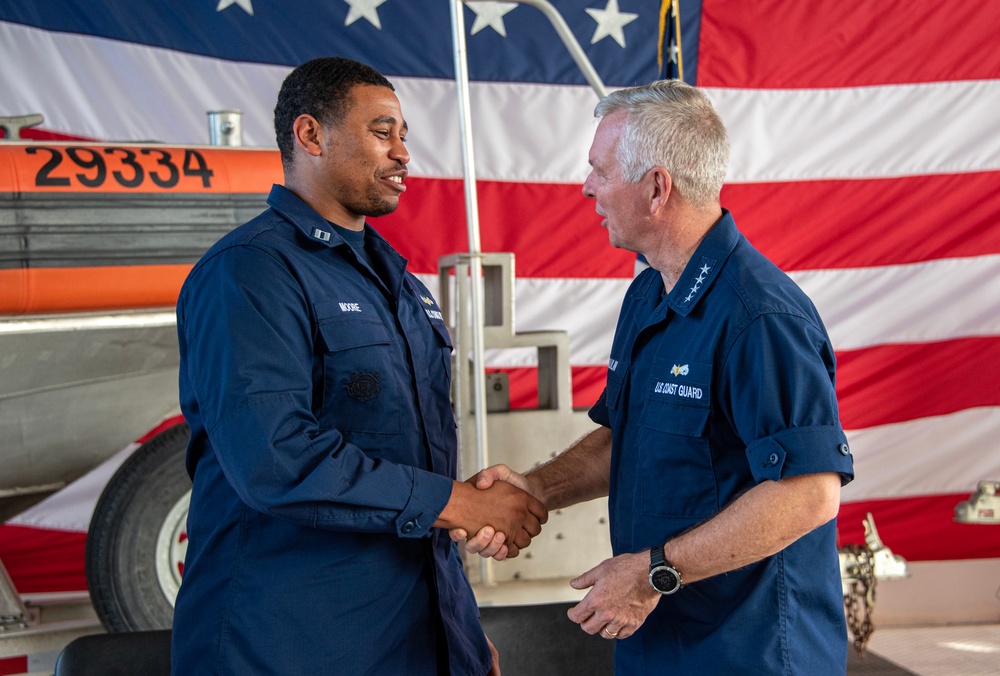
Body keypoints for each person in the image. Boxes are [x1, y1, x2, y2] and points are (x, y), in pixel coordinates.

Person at [455, 80, 855, 674]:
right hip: (656, 640)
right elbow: (628, 436)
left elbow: (809, 492)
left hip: (751, 654)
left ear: (656, 187)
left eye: (599, 170)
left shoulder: (760, 317)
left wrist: (653, 573)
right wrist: (536, 490)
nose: (586, 185)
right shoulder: (648, 293)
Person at [171, 56, 547, 675]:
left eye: (404, 136)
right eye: (382, 132)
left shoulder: (399, 282)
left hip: (409, 639)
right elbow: (276, 458)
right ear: (311, 135)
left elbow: (415, 470)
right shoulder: (250, 272)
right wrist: (459, 503)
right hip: (286, 646)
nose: (402, 154)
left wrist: (461, 635)